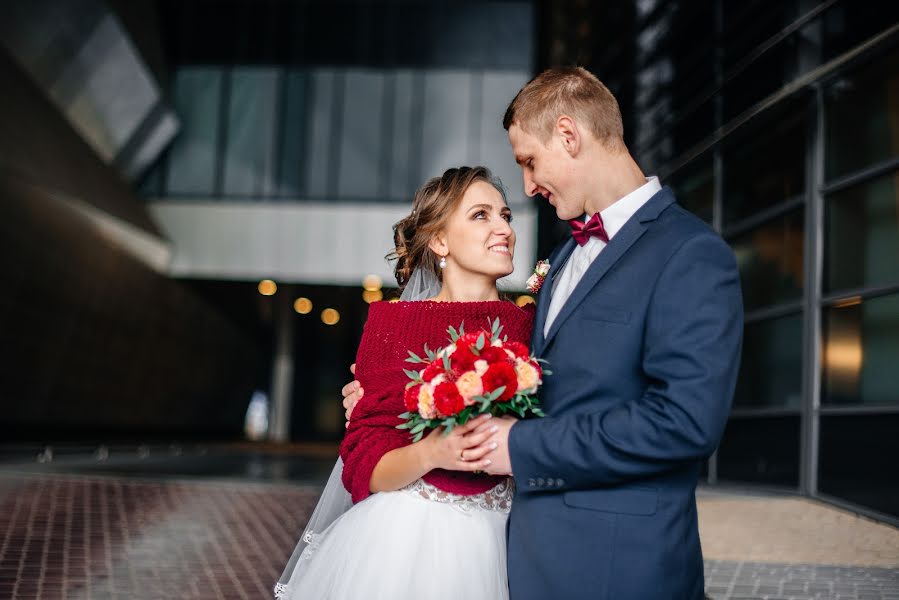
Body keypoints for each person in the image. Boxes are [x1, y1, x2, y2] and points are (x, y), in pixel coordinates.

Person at [343, 67, 743, 599]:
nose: (528, 186)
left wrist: (521, 446)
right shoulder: (563, 260)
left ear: (569, 136)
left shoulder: (690, 254)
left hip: (619, 567)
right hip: (517, 561)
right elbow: (539, 382)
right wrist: (393, 401)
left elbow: (685, 422)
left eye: (529, 162)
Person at [276, 166, 535, 600]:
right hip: (408, 543)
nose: (503, 228)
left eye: (505, 215)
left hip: (510, 540)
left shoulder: (532, 327)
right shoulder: (392, 324)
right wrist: (433, 450)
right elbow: (362, 461)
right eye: (481, 215)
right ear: (439, 241)